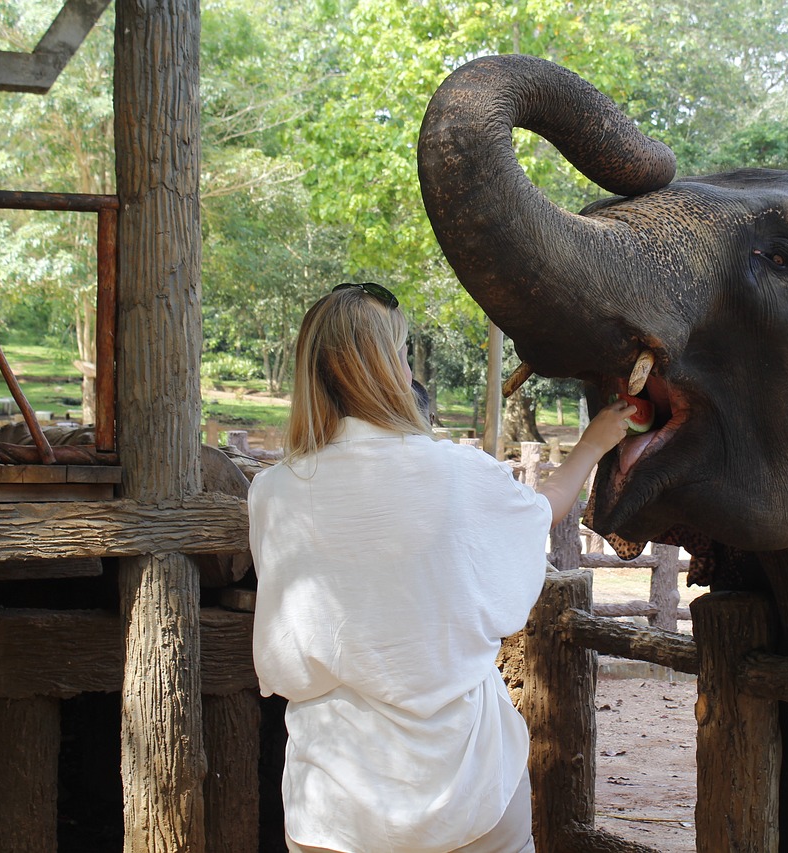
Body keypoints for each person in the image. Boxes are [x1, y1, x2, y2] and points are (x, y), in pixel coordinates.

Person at [248, 282, 637, 853]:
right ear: (386, 370)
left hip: (334, 799)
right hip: (468, 782)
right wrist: (592, 445)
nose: (409, 371)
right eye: (403, 355)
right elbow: (538, 514)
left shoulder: (274, 492)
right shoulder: (456, 472)